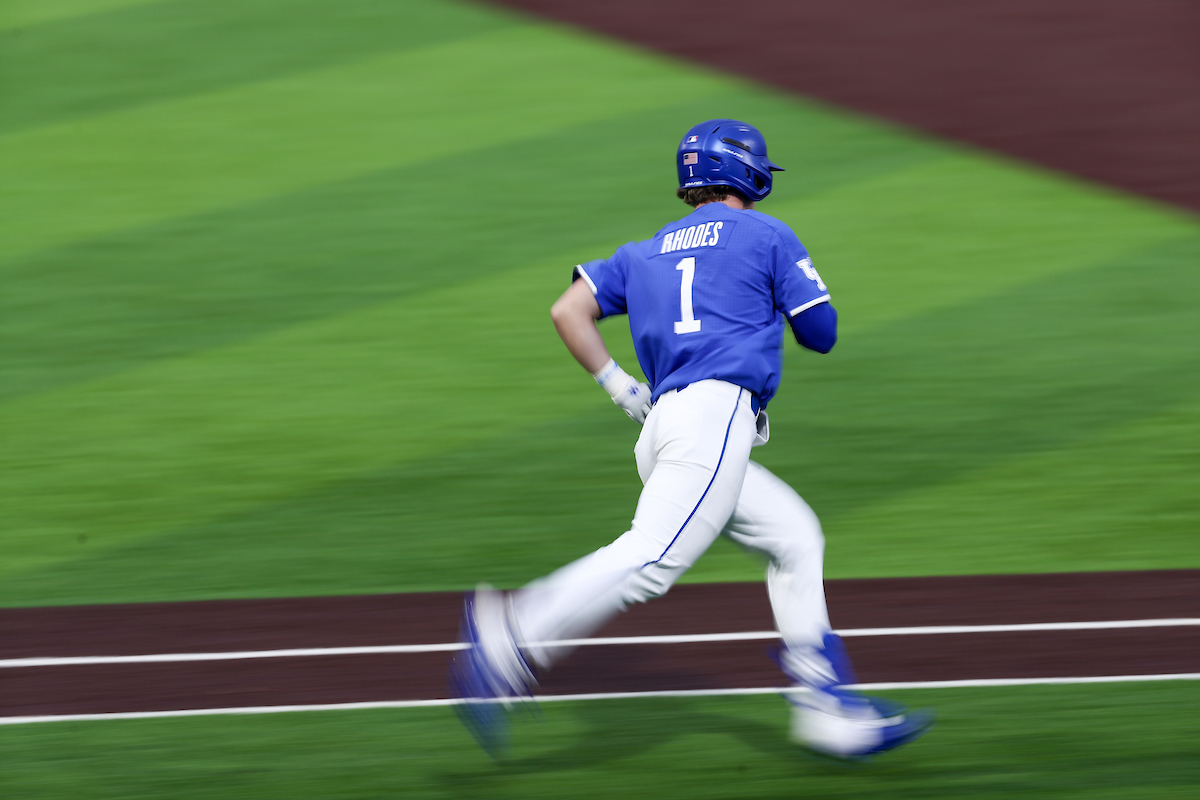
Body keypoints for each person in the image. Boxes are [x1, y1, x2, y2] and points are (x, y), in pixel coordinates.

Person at [449, 119, 934, 760]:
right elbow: (821, 332)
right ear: (746, 173)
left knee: (794, 537)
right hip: (712, 421)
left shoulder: (644, 251)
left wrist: (620, 386)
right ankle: (512, 632)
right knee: (652, 560)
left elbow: (568, 309)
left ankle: (827, 708)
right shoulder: (766, 234)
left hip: (663, 428)